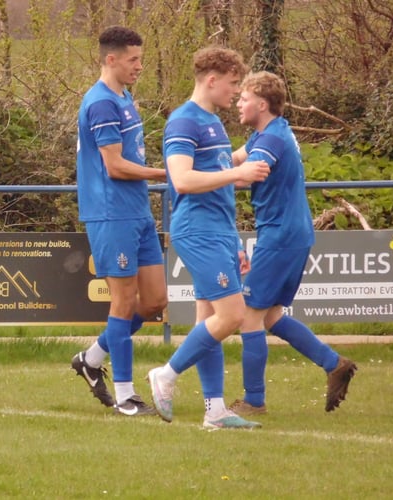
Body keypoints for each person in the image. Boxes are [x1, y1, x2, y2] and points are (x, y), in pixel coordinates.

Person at [147, 46, 271, 429]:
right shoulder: (184, 122)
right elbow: (181, 180)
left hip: (217, 231)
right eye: (233, 84)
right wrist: (238, 174)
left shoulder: (213, 121)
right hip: (196, 231)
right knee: (231, 315)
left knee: (208, 319)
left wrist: (234, 241)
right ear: (212, 80)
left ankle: (215, 410)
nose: (236, 92)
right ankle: (165, 374)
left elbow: (217, 187)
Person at [227, 70, 357, 416]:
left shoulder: (270, 141)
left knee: (248, 317)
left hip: (281, 236)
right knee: (270, 316)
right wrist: (196, 159)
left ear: (263, 104)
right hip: (291, 234)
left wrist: (198, 181)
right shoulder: (271, 132)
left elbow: (244, 174)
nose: (238, 102)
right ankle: (334, 363)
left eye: (244, 98)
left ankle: (253, 401)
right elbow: (234, 159)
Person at [71, 26, 168, 416]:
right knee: (124, 301)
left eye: (141, 59)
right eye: (133, 60)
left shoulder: (124, 97)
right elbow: (114, 165)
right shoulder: (100, 103)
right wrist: (166, 174)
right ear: (111, 59)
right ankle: (126, 397)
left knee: (155, 301)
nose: (139, 67)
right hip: (111, 212)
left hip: (137, 210)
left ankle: (91, 359)